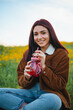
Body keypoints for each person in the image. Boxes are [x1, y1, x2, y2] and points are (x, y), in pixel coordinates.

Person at [0, 19, 71, 110]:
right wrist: (27, 77)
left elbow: (60, 84)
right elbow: (21, 81)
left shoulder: (61, 54)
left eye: (43, 33)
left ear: (50, 34)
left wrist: (44, 68)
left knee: (54, 100)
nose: (39, 37)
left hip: (50, 94)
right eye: (36, 34)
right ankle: (25, 107)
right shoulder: (28, 53)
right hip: (29, 93)